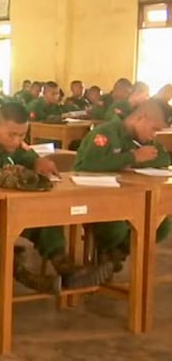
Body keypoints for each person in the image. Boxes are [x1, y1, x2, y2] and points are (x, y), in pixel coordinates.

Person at [0, 102, 111, 292]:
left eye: (22, 135)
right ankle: (25, 276)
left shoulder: (16, 146)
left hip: (10, 211)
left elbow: (30, 156)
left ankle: (66, 269)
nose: (16, 141)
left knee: (45, 219)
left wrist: (39, 161)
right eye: (11, 135)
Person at [73, 101, 170, 274]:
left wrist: (133, 160)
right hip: (96, 199)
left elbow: (163, 159)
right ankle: (106, 254)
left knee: (161, 226)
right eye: (154, 129)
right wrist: (131, 158)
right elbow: (87, 165)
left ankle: (114, 255)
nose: (154, 135)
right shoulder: (106, 133)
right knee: (116, 226)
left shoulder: (140, 139)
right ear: (141, 118)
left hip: (129, 198)